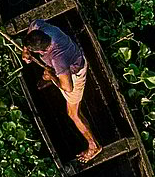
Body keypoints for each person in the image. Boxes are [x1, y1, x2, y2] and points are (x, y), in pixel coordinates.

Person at [21, 18, 100, 163]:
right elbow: (34, 23)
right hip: (66, 61)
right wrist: (25, 51)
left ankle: (93, 146)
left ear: (42, 51)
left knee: (73, 113)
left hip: (74, 73)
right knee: (47, 74)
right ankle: (47, 77)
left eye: (34, 51)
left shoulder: (58, 59)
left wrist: (52, 77)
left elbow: (68, 87)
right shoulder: (42, 28)